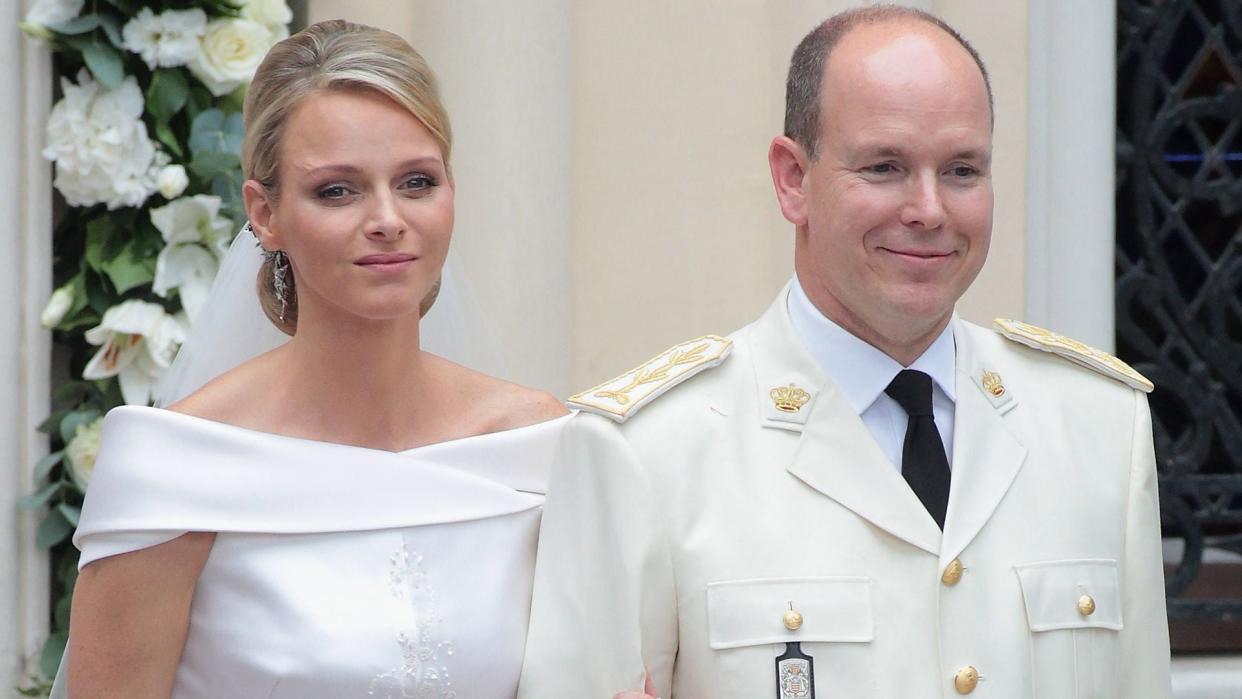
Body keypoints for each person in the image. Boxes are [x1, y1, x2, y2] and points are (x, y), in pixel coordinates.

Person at [518, 6, 1171, 698]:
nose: (928, 209)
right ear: (793, 178)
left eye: (961, 170)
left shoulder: (1098, 426)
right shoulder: (647, 454)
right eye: (885, 166)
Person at [57, 20, 570, 698]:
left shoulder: (538, 444)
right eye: (338, 189)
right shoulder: (176, 468)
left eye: (417, 181)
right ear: (264, 212)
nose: (388, 217)